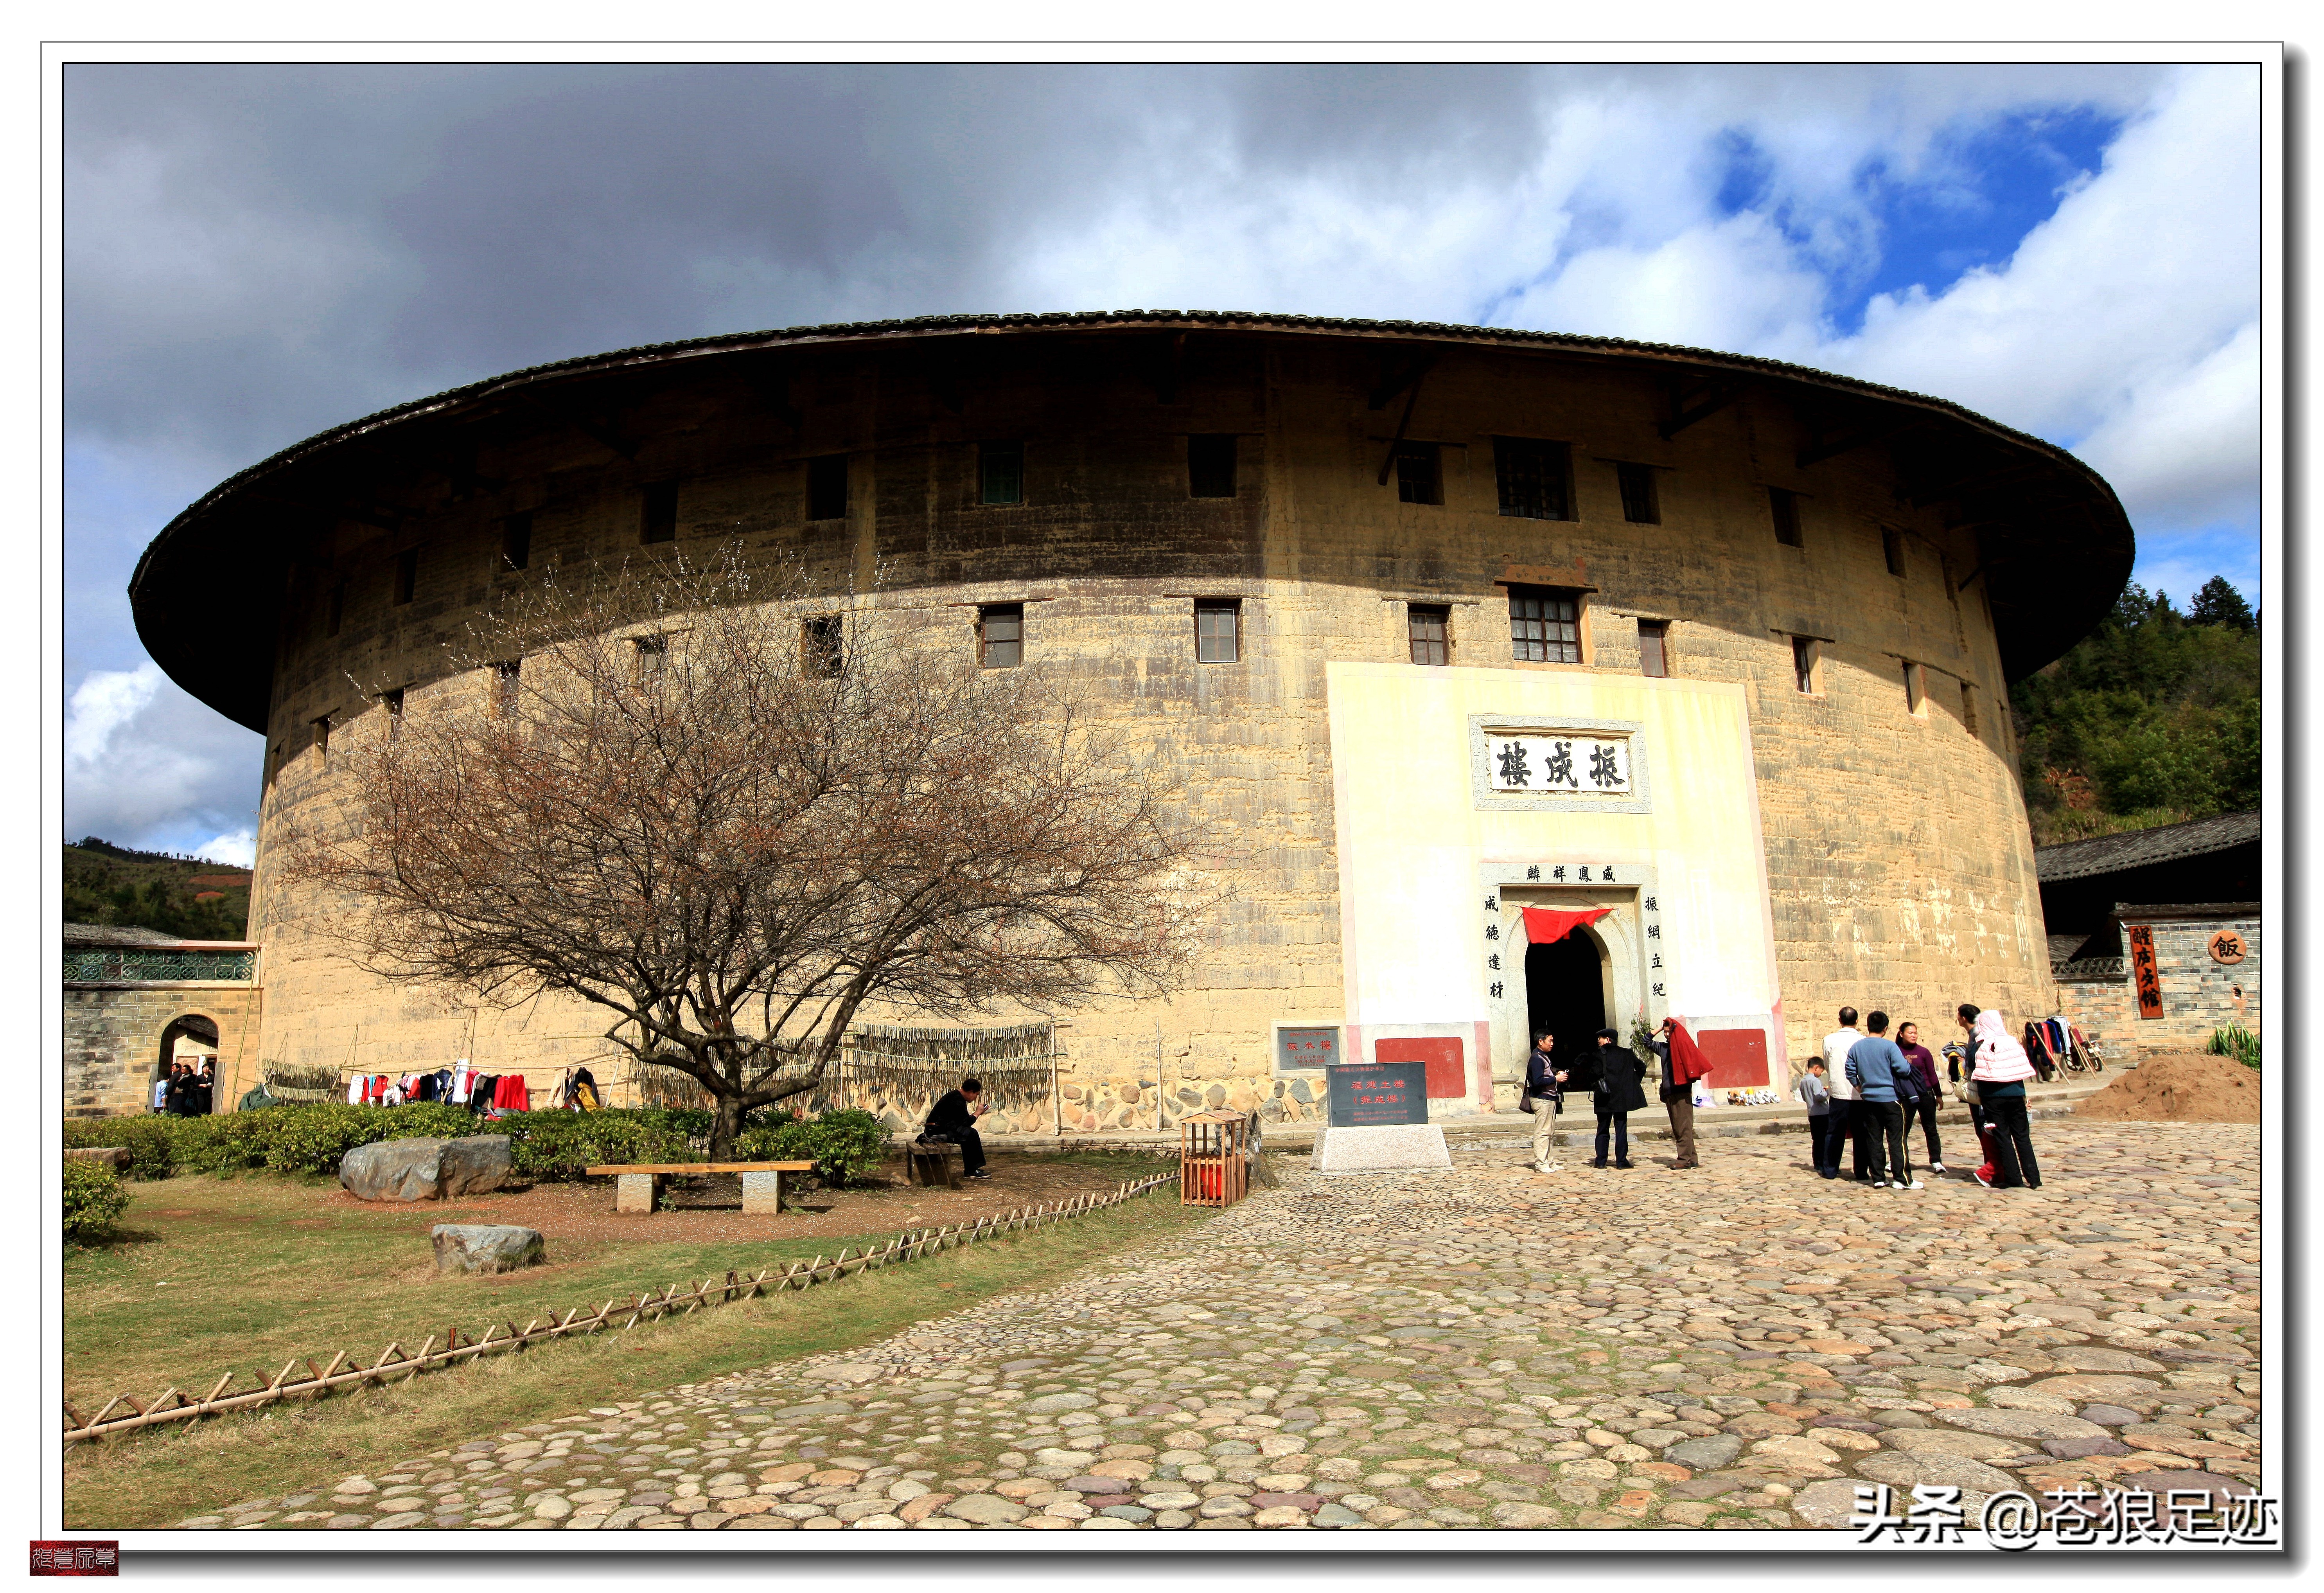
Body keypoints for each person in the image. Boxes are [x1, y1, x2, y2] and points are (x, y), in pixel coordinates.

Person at [1965, 1006, 2042, 1189]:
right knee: (2023, 1137)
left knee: (2003, 1137)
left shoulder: (1979, 1045)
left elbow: (1972, 1067)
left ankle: (2013, 1178)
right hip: (2016, 1094)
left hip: (1993, 1098)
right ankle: (2034, 1178)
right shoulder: (2013, 1042)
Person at [1845, 1011, 1923, 1189]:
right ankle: (1902, 1179)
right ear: (1886, 1029)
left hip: (1869, 1099)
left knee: (1874, 1139)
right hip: (1891, 1099)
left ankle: (1878, 1177)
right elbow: (1903, 1069)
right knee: (1897, 1140)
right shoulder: (1890, 1047)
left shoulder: (1857, 1047)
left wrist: (1860, 1087)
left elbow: (1850, 1071)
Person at [1570, 1029, 1647, 1169]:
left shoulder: (1598, 1054)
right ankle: (1622, 1161)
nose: (1598, 1041)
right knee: (1621, 1129)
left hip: (1604, 1096)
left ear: (1608, 1039)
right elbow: (1641, 1067)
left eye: (1600, 1038)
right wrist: (1632, 1082)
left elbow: (1595, 1073)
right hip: (1622, 1097)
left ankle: (1601, 1161)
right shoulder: (1627, 1053)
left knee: (1603, 1129)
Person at [1647, 1018, 1714, 1169]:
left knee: (1682, 1127)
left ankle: (1684, 1160)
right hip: (1669, 1092)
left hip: (1682, 1092)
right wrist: (1659, 1029)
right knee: (1680, 1126)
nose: (1666, 1035)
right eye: (1664, 1033)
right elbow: (1646, 1041)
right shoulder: (1664, 1049)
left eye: (1668, 1032)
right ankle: (1693, 1158)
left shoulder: (1683, 1048)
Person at [1821, 1007, 1868, 1181]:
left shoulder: (1830, 1040)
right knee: (1861, 1134)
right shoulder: (1863, 1040)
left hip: (1839, 1092)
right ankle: (1862, 1171)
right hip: (1860, 1093)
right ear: (1857, 1021)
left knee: (1835, 1132)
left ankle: (1830, 1169)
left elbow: (1827, 1063)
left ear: (1839, 1020)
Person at [1894, 1021, 1946, 1174]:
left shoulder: (1924, 1052)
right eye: (1910, 1033)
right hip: (1906, 1096)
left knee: (1931, 1129)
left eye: (1915, 1033)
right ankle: (1899, 1160)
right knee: (1903, 1129)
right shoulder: (1895, 1051)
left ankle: (1936, 1161)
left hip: (1925, 1095)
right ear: (1902, 1034)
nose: (1914, 1035)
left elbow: (1932, 1074)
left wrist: (1939, 1095)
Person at [923, 1075, 993, 1180]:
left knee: (968, 1134)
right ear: (971, 1092)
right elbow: (966, 1123)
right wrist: (978, 1112)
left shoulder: (955, 1097)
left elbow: (961, 1122)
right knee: (971, 1134)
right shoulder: (957, 1100)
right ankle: (973, 1170)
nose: (975, 1099)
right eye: (976, 1095)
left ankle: (971, 1169)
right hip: (935, 1131)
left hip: (938, 1129)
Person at [1523, 1030, 1568, 1174]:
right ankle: (1541, 1163)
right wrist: (1556, 1079)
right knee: (1542, 1132)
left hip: (1550, 1099)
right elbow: (1536, 1081)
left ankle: (1549, 1160)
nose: (1552, 1044)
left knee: (1550, 1132)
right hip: (1542, 1099)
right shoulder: (1536, 1058)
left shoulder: (1544, 1057)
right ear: (1540, 1042)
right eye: (1550, 1041)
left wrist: (1557, 1074)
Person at [1797, 1058, 1836, 1177]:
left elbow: (1804, 1098)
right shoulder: (1815, 1081)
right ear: (1816, 1068)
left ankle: (1817, 1163)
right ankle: (1825, 1164)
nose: (1821, 1074)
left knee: (1817, 1140)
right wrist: (1828, 1092)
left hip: (1812, 1113)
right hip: (1822, 1113)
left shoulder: (1803, 1081)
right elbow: (1819, 1097)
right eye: (1821, 1071)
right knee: (1825, 1140)